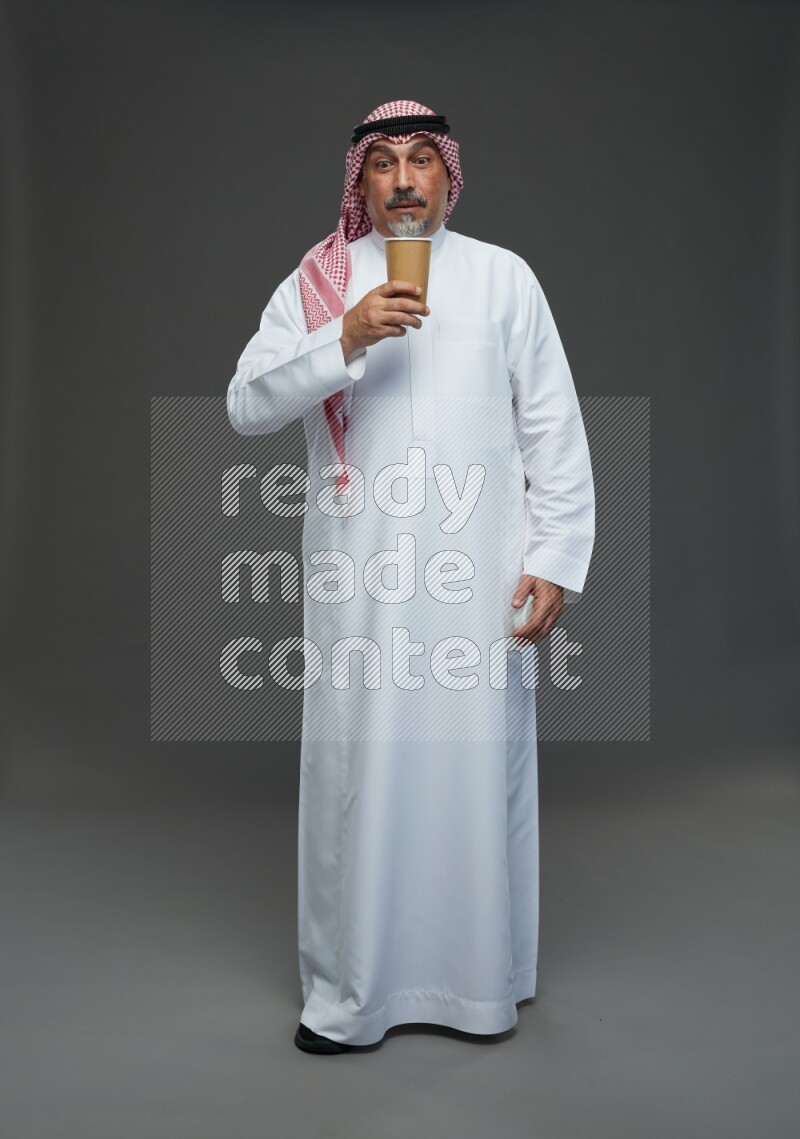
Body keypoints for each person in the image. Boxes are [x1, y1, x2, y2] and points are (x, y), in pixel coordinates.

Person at [226, 99, 595, 1054]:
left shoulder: (503, 278)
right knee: (358, 769)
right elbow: (245, 405)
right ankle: (349, 996)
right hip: (363, 579)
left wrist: (554, 557)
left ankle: (482, 984)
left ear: (447, 174)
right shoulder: (321, 282)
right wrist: (342, 337)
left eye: (420, 160)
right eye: (383, 162)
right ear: (361, 180)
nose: (402, 180)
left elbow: (551, 424)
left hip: (480, 579)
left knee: (478, 769)